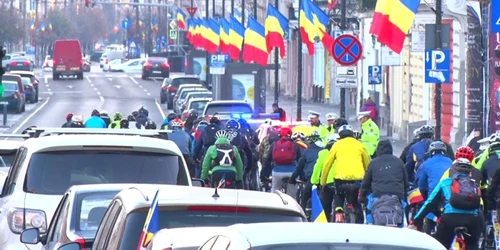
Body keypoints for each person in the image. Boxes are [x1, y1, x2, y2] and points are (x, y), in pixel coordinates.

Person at [410, 158, 484, 250]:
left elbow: (430, 203)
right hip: (472, 219)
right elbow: (479, 206)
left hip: (450, 218)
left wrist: (416, 221)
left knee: (441, 245)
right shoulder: (474, 184)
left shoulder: (445, 182)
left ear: (453, 169)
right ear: (470, 172)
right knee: (472, 244)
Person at [321, 125, 370, 223]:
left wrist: (323, 182)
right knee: (357, 202)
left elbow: (327, 165)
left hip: (341, 179)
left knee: (338, 194)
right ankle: (359, 219)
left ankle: (339, 211)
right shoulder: (359, 144)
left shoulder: (336, 145)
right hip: (358, 179)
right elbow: (367, 162)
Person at [359, 139, 408, 226]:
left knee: (370, 211)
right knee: (400, 213)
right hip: (396, 197)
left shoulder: (373, 163)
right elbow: (406, 183)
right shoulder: (399, 162)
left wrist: (362, 198)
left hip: (377, 196)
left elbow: (365, 183)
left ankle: (370, 225)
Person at [416, 141, 453, 234]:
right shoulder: (451, 162)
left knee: (425, 207)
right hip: (448, 196)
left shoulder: (426, 163)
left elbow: (421, 185)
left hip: (433, 195)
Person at [290, 132, 323, 212]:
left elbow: (299, 167)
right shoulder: (324, 150)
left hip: (311, 178)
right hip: (323, 178)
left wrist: (293, 177)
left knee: (305, 197)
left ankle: (304, 214)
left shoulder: (307, 151)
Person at [262, 127, 302, 193]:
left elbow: (267, 161)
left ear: (279, 135)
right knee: (292, 195)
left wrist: (264, 175)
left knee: (275, 190)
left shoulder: (274, 144)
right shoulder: (294, 145)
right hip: (291, 173)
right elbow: (300, 161)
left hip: (277, 172)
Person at [314, 133, 339, 222]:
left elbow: (318, 168)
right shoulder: (342, 152)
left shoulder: (323, 153)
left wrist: (315, 181)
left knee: (324, 204)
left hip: (327, 183)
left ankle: (326, 221)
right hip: (341, 181)